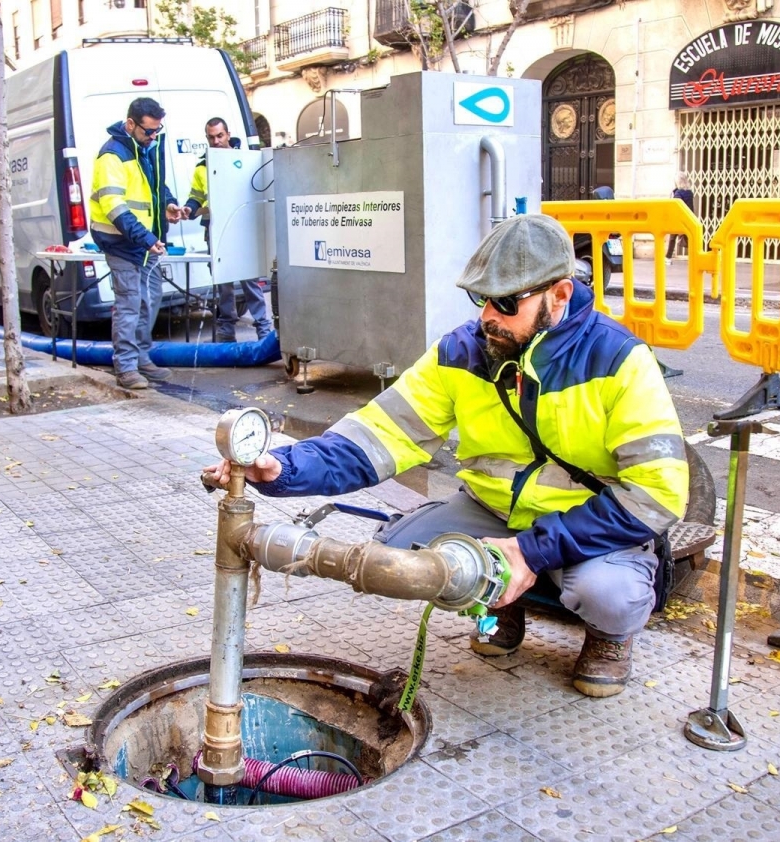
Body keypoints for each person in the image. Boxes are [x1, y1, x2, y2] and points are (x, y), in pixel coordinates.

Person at [205, 215, 688, 698]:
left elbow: (658, 497)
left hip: (589, 525)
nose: (487, 317)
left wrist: (532, 551)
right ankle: (500, 602)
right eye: (480, 299)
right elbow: (379, 435)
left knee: (607, 594)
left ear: (559, 295)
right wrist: (284, 467)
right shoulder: (461, 352)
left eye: (504, 302)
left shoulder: (620, 360)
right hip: (495, 511)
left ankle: (609, 637)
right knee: (403, 557)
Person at [89, 97, 182, 389]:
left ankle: (141, 358)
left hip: (144, 244)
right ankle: (126, 367)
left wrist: (168, 204)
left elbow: (154, 187)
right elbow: (113, 205)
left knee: (149, 301)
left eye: (157, 131)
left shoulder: (143, 149)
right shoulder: (112, 155)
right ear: (131, 124)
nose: (153, 136)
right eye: (148, 131)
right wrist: (146, 237)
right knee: (130, 305)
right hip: (122, 244)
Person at [181, 117, 273, 342]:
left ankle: (263, 327)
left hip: (242, 230)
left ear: (228, 134)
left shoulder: (245, 159)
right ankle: (225, 330)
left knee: (249, 280)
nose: (216, 141)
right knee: (223, 284)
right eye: (211, 137)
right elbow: (196, 196)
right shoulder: (203, 167)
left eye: (219, 136)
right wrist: (188, 209)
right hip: (216, 232)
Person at [666, 176, 695, 264]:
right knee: (689, 238)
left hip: (679, 218)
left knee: (672, 238)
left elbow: (676, 205)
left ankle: (668, 258)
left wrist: (673, 192)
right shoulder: (690, 192)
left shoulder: (678, 193)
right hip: (688, 217)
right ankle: (694, 256)